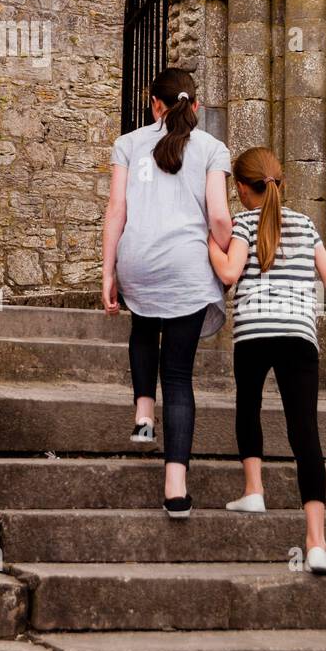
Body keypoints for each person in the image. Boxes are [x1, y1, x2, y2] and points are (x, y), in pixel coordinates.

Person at [207, 146, 326, 575]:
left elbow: (228, 274)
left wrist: (209, 241)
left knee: (249, 408)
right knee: (305, 432)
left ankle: (254, 489)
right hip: (299, 335)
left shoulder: (242, 222)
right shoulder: (305, 224)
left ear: (242, 188)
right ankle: (316, 542)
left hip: (255, 333)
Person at [102, 68, 233, 518]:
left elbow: (116, 210)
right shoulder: (213, 149)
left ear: (154, 105)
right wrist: (226, 251)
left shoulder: (128, 143)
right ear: (193, 105)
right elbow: (218, 217)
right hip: (186, 266)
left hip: (136, 259)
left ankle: (143, 416)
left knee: (143, 326)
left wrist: (108, 272)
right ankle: (175, 488)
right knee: (177, 376)